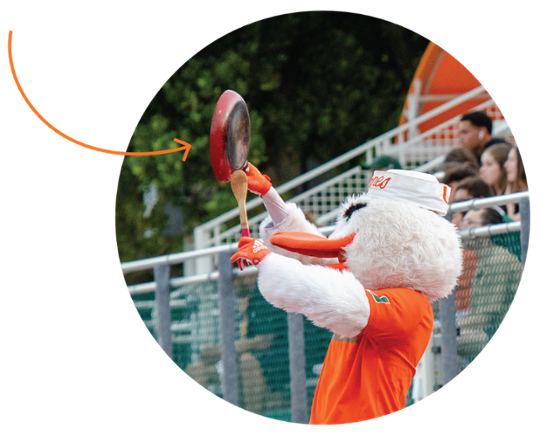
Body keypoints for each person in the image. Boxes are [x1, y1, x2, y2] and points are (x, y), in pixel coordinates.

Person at [231, 163, 462, 424]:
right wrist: (269, 196)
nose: (345, 238)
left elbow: (339, 300)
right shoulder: (368, 285)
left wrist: (266, 259)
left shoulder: (413, 305)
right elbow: (318, 260)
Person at [456, 208, 522, 371]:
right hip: (485, 331)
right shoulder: (485, 259)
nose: (462, 228)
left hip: (490, 332)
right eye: (463, 222)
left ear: (488, 228)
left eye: (470, 223)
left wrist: (448, 327)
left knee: (442, 340)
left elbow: (485, 317)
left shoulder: (497, 260)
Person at [503, 146, 529, 221]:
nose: (505, 165)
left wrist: (509, 202)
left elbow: (518, 220)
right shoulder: (511, 190)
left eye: (511, 160)